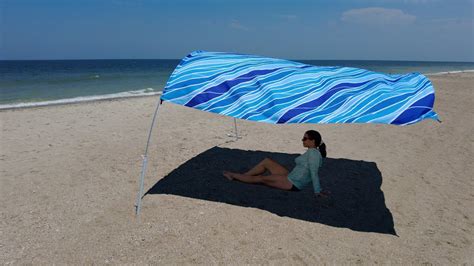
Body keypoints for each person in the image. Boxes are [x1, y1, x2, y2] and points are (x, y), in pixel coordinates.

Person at [223, 130, 329, 197]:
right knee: (267, 161)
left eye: (305, 138)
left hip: (293, 184)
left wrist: (317, 191)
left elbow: (314, 173)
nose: (302, 140)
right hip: (291, 176)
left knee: (260, 179)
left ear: (313, 141)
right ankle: (243, 176)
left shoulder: (313, 155)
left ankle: (233, 175)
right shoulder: (311, 152)